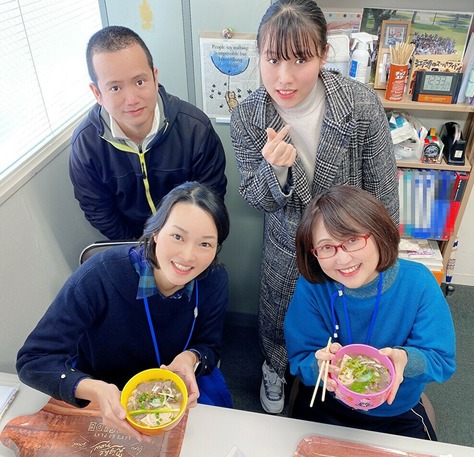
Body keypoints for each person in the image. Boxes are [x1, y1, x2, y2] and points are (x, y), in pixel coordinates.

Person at [229, 0, 399, 414]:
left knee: (346, 310)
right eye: (272, 59)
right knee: (278, 316)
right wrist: (275, 171)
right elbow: (254, 195)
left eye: (300, 59)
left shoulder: (358, 105)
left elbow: (383, 192)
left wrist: (382, 256)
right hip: (288, 242)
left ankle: (349, 372)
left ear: (323, 54)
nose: (283, 78)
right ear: (260, 55)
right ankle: (276, 367)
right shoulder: (250, 114)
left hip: (349, 240)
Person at [17, 182, 232, 442]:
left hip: (177, 391)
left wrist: (191, 358)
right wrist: (94, 389)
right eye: (177, 236)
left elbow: (209, 346)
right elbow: (33, 360)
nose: (188, 256)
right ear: (155, 232)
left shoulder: (214, 279)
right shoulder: (99, 275)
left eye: (205, 245)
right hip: (106, 390)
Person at [284, 185, 455, 439]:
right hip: (327, 404)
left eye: (352, 240)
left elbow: (441, 359)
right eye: (327, 247)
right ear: (313, 253)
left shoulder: (418, 283)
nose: (342, 260)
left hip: (395, 410)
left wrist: (406, 360)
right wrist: (319, 365)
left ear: (378, 233)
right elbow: (300, 359)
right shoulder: (313, 287)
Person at [70, 26, 227, 240]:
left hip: (189, 240)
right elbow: (98, 209)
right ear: (97, 93)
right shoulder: (86, 145)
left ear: (154, 77)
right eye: (115, 88)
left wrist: (176, 244)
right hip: (132, 243)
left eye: (140, 82)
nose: (132, 99)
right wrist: (139, 246)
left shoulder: (196, 129)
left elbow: (211, 198)